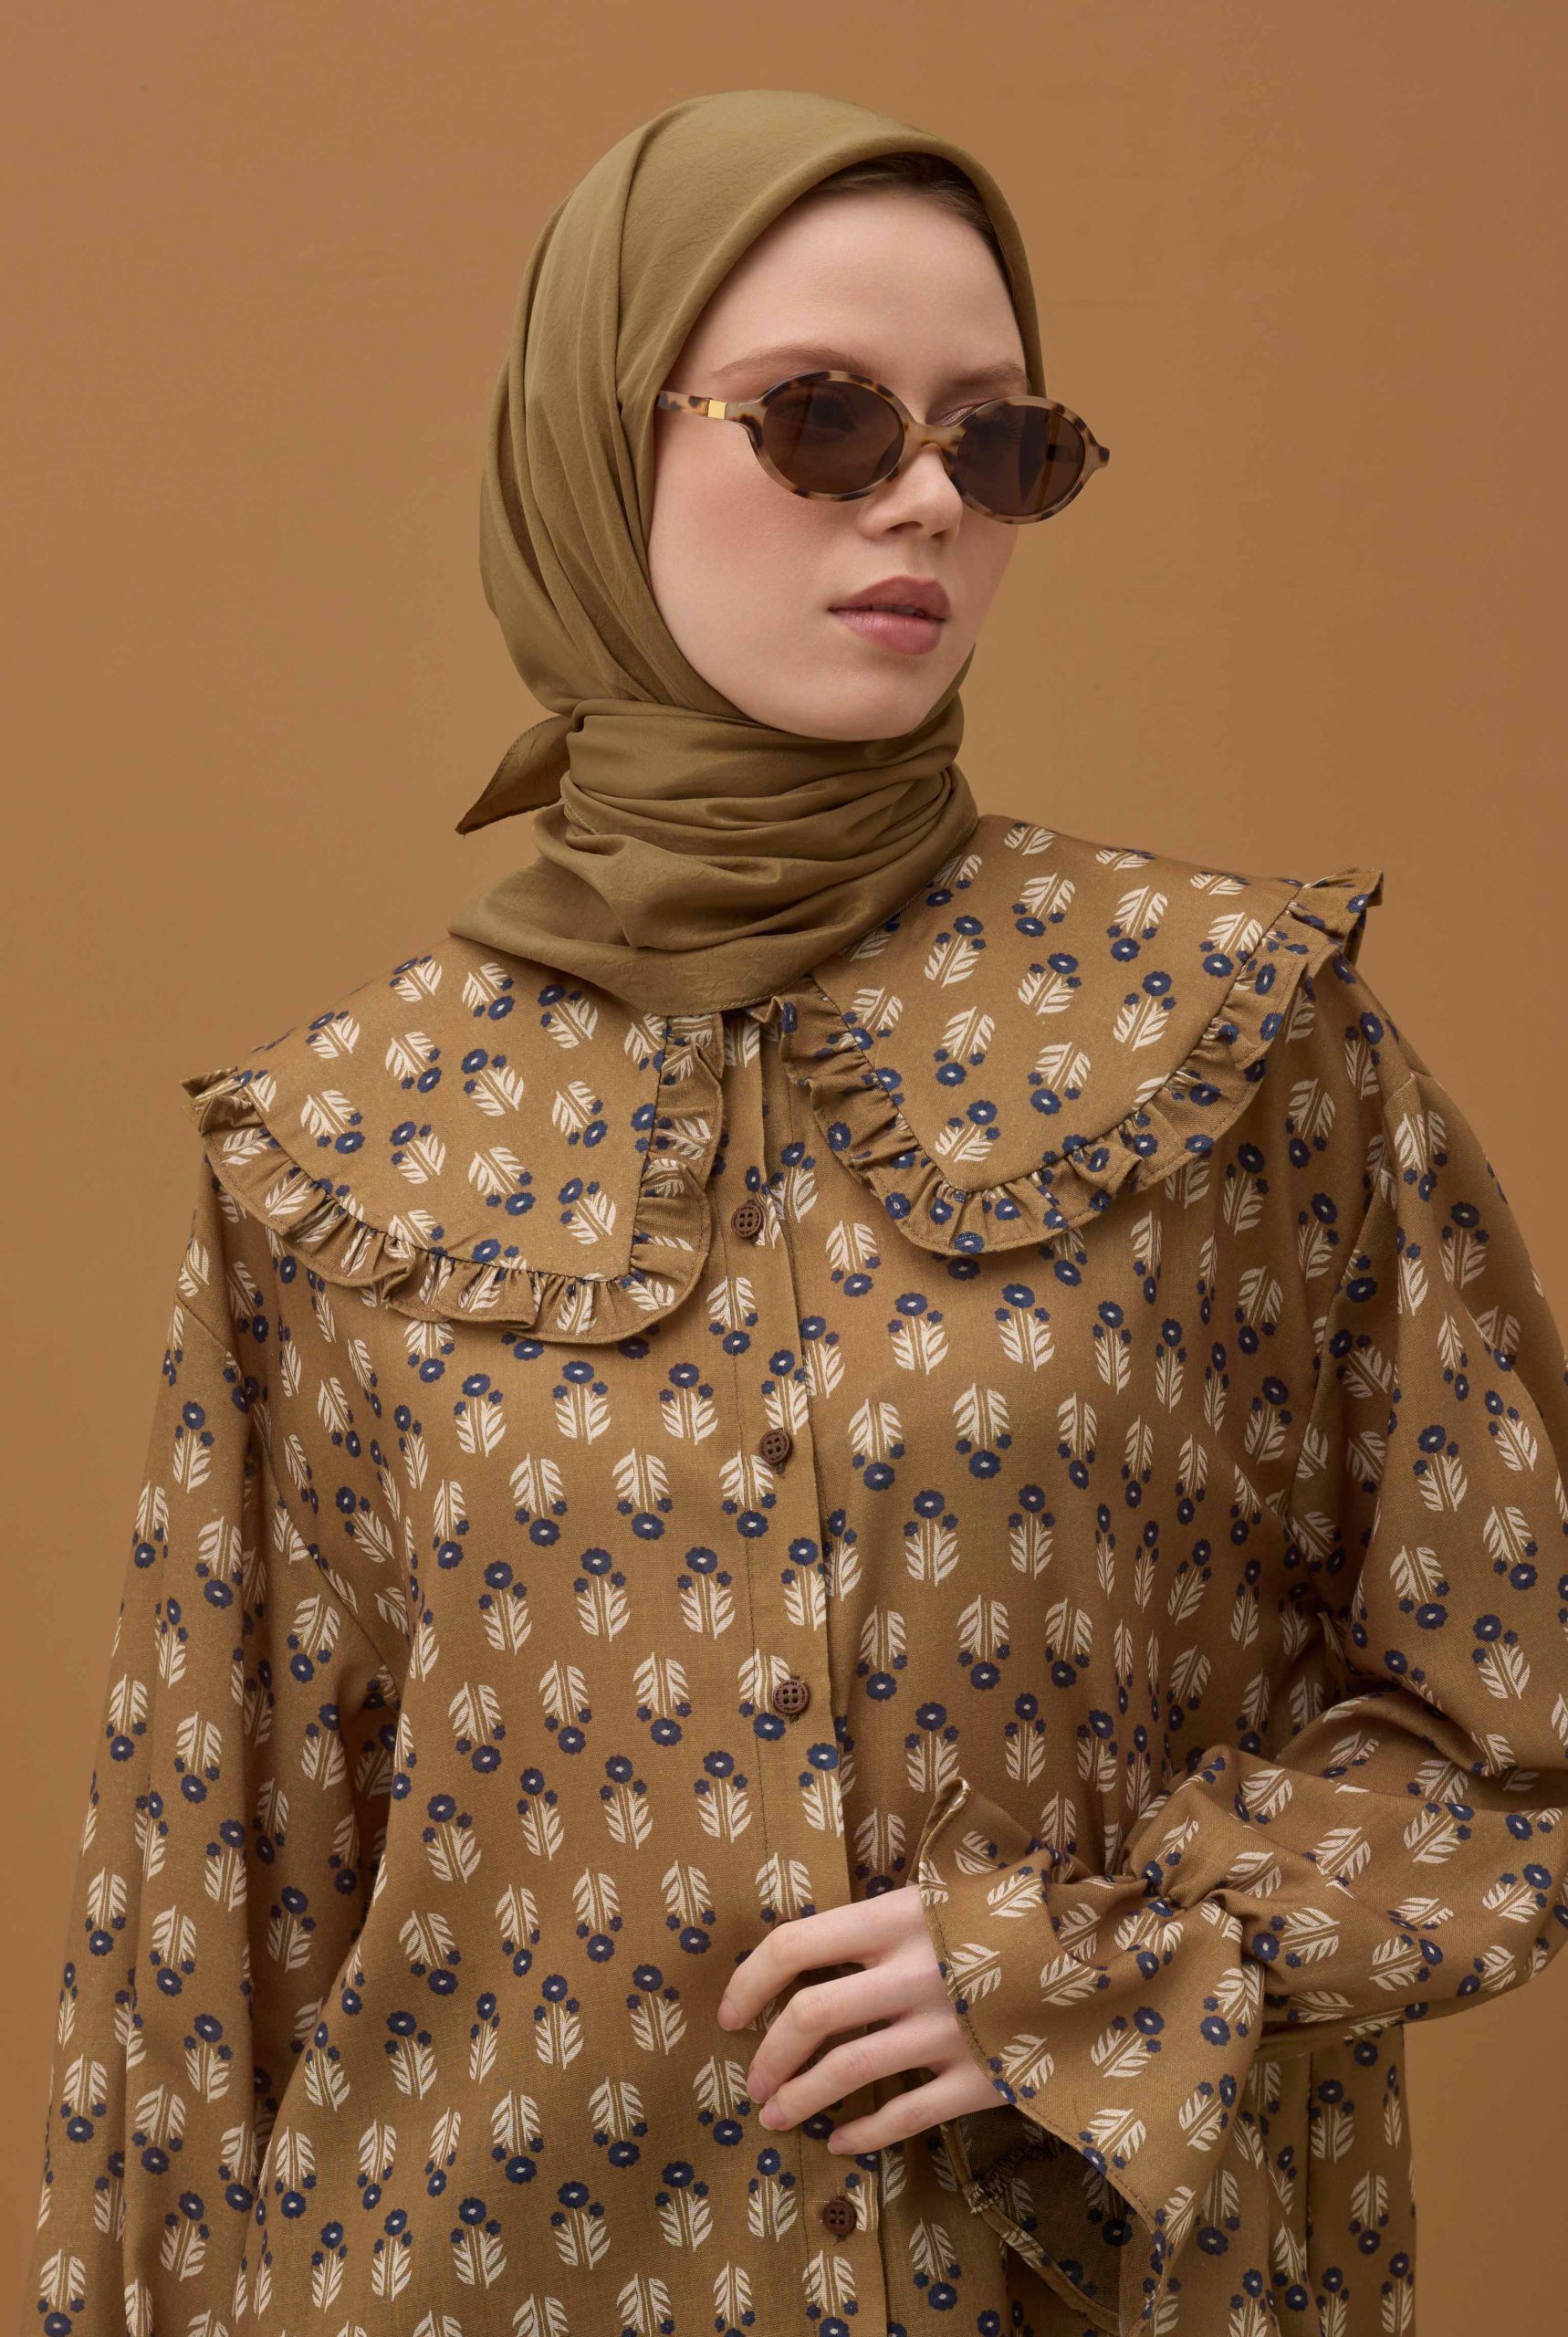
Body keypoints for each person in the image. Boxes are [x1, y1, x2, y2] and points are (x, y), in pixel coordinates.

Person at [18, 87, 1568, 2337]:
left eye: (1000, 444)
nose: (927, 498)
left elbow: (1513, 1725)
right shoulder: (340, 1140)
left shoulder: (1233, 1038)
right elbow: (197, 1935)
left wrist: (1088, 1967)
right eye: (824, 421)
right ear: (591, 442)